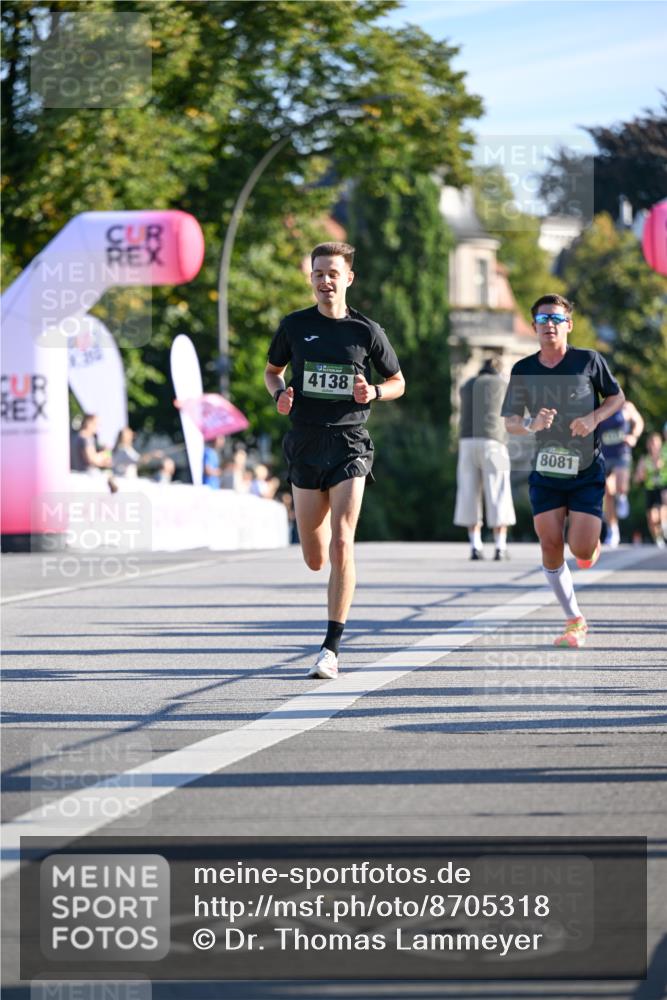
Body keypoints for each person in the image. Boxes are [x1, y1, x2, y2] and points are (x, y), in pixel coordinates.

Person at [264, 241, 405, 679]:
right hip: (305, 443)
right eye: (318, 273)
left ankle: (331, 648)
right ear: (311, 278)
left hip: (349, 442)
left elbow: (398, 381)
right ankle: (320, 536)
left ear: (348, 278)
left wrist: (374, 392)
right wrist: (279, 395)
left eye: (333, 273)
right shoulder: (294, 326)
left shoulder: (367, 331)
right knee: (315, 556)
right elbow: (272, 372)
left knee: (343, 541)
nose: (325, 281)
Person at [502, 294, 625, 648]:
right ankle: (574, 620)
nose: (550, 325)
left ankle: (589, 545)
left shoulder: (588, 361)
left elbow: (616, 398)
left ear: (568, 325)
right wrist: (532, 424)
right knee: (550, 543)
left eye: (556, 319)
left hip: (586, 469)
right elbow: (510, 422)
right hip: (547, 469)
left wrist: (594, 418)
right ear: (534, 326)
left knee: (581, 550)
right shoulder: (523, 369)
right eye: (543, 320)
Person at [454, 356, 516, 560]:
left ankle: (475, 545)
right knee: (499, 491)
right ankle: (500, 547)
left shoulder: (466, 385)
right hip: (495, 443)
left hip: (467, 442)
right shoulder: (503, 384)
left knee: (469, 492)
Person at [599, 400, 644, 547]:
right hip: (605, 455)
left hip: (621, 453)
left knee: (620, 486)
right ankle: (613, 530)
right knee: (607, 492)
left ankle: (622, 496)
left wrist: (633, 436)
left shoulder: (626, 406)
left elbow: (639, 422)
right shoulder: (600, 406)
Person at [634, 431, 667, 548]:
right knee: (652, 518)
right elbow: (637, 479)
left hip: (663, 487)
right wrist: (640, 474)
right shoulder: (644, 459)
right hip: (650, 489)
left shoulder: (665, 456)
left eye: (656, 443)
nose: (654, 446)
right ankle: (658, 538)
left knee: (664, 503)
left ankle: (664, 525)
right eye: (651, 443)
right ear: (648, 445)